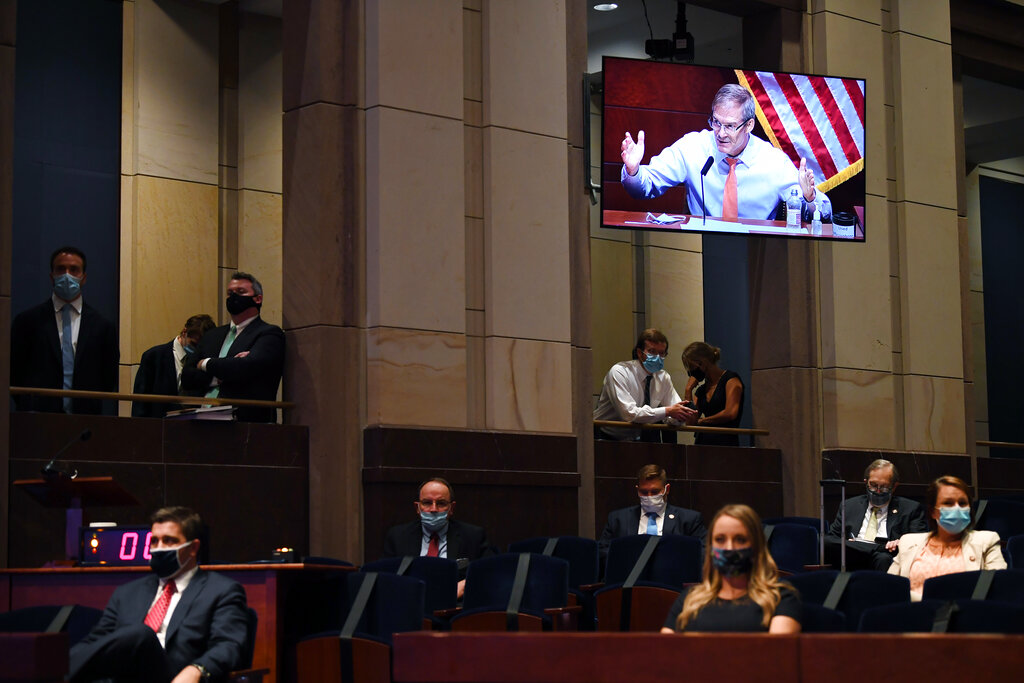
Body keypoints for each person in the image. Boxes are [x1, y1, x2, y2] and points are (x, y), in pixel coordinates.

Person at [69, 506, 248, 683]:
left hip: (174, 677)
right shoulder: (127, 593)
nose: (159, 548)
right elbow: (96, 644)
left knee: (142, 634)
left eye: (169, 541)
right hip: (122, 678)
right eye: (154, 541)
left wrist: (197, 670)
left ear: (193, 548)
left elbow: (229, 645)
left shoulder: (221, 591)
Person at [620, 83, 831, 222]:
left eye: (730, 126)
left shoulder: (773, 161)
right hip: (699, 246)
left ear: (749, 126)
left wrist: (810, 198)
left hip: (758, 250)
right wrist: (633, 170)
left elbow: (825, 212)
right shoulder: (693, 146)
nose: (720, 133)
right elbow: (644, 187)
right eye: (716, 122)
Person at [10, 246, 119, 415]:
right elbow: (14, 373)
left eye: (74, 270)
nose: (67, 275)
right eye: (61, 269)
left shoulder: (102, 327)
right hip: (36, 419)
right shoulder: (27, 322)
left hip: (84, 421)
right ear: (51, 276)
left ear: (83, 278)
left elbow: (108, 379)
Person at [661, 503, 801, 633]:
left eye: (740, 539)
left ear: (757, 546)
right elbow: (664, 652)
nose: (729, 548)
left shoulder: (780, 597)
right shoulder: (690, 599)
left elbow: (777, 653)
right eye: (720, 539)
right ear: (710, 547)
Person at [180, 272, 285, 423]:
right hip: (199, 419)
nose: (233, 297)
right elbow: (187, 377)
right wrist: (219, 376)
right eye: (230, 293)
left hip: (244, 422)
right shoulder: (212, 335)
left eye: (241, 292)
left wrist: (204, 363)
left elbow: (246, 367)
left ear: (258, 298)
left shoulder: (269, 334)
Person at [889, 475, 1006, 601]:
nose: (957, 508)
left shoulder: (987, 540)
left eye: (962, 503)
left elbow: (999, 589)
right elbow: (890, 587)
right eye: (948, 503)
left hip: (964, 616)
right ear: (933, 511)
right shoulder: (908, 542)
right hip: (912, 615)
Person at [381, 478, 495, 599]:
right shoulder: (398, 536)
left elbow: (490, 571)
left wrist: (465, 585)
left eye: (441, 503)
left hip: (453, 607)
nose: (434, 509)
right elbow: (385, 576)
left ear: (451, 508)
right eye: (427, 503)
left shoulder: (473, 536)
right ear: (417, 508)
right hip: (410, 604)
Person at [593, 328, 696, 442]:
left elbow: (673, 413)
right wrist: (668, 411)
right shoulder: (620, 372)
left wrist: (681, 415)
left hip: (635, 438)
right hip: (604, 435)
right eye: (652, 351)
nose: (657, 357)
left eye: (661, 353)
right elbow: (629, 414)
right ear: (639, 353)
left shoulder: (663, 377)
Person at [825, 459, 928, 571]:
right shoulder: (849, 506)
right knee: (824, 541)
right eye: (873, 485)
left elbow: (919, 543)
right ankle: (878, 548)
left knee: (883, 558)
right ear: (866, 482)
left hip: (884, 560)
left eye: (884, 487)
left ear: (894, 487)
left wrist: (902, 542)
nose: (878, 491)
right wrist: (876, 547)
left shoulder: (911, 509)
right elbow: (832, 539)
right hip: (851, 557)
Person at [598, 464, 706, 564]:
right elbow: (603, 552)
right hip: (629, 580)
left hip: (671, 580)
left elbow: (703, 553)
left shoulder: (689, 520)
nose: (649, 496)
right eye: (644, 492)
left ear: (666, 489)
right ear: (637, 490)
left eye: (655, 492)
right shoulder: (618, 519)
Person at [132, 314, 216, 418]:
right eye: (193, 344)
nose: (196, 351)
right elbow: (140, 402)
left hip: (193, 425)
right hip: (159, 424)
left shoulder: (205, 360)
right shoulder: (154, 356)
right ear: (184, 332)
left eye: (200, 347)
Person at [681, 342, 745, 447]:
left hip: (726, 443)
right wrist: (688, 390)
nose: (690, 372)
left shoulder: (730, 380)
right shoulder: (701, 391)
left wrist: (702, 421)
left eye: (691, 366)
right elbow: (690, 422)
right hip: (703, 444)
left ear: (702, 362)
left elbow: (730, 413)